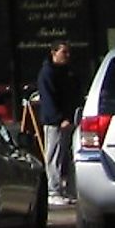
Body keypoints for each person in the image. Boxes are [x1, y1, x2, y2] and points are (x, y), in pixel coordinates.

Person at [35, 42, 81, 203]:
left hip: (71, 120)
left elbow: (74, 94)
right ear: (54, 52)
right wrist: (59, 119)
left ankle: (69, 190)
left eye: (68, 52)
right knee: (54, 155)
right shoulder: (47, 73)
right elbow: (48, 99)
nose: (67, 56)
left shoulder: (68, 72)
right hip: (55, 122)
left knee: (69, 155)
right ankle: (53, 191)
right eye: (64, 52)